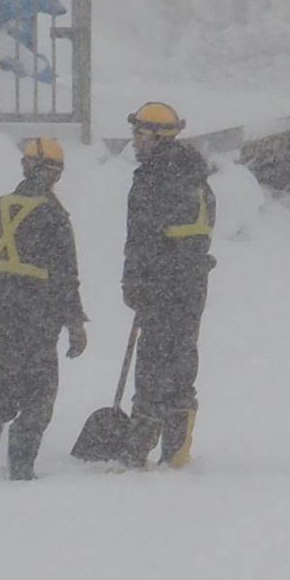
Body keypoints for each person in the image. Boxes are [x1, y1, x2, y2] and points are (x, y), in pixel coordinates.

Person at [0, 135, 88, 480]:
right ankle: (21, 469)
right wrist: (75, 323)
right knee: (38, 396)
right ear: (57, 175)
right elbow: (66, 276)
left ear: (24, 167)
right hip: (35, 320)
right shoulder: (53, 217)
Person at [122, 101, 215, 469]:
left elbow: (141, 236)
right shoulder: (195, 174)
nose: (134, 142)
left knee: (152, 363)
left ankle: (137, 449)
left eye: (140, 134)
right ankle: (177, 449)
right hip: (191, 281)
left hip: (161, 282)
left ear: (158, 138)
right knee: (181, 359)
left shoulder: (152, 179)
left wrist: (135, 280)